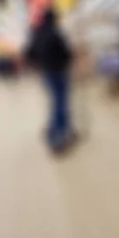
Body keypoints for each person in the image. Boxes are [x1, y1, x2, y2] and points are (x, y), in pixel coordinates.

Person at [25, 8, 75, 155]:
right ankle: (56, 138)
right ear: (53, 19)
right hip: (58, 71)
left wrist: (39, 65)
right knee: (60, 103)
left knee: (55, 101)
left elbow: (28, 54)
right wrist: (66, 60)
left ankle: (60, 130)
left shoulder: (36, 33)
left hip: (46, 72)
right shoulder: (55, 32)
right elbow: (66, 52)